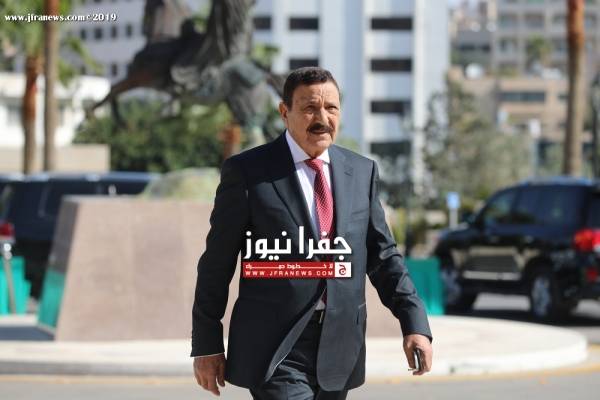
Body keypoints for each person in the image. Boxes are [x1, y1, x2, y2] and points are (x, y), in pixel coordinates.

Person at [191, 67, 433, 399]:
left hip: (340, 343)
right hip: (275, 347)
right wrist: (207, 343)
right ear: (284, 112)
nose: (322, 118)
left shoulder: (361, 172)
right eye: (309, 108)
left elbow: (384, 257)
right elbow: (216, 264)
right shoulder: (248, 172)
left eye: (331, 108)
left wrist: (414, 322)